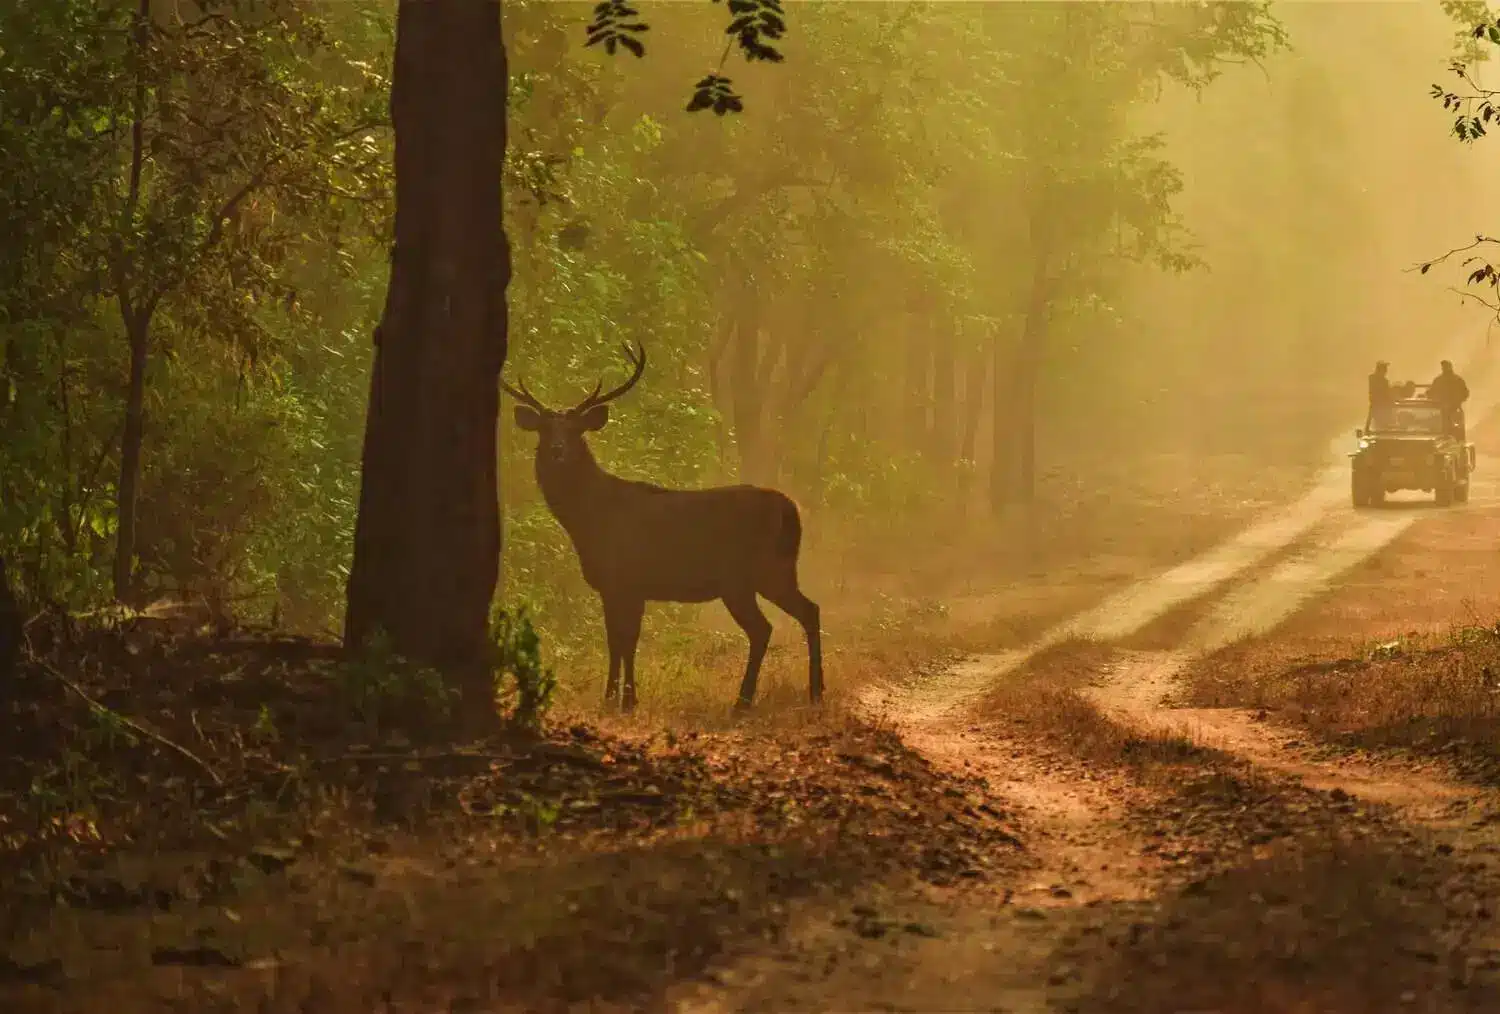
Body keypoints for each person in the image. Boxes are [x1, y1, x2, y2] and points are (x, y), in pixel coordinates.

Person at [1428, 359, 1470, 439]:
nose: (1444, 368)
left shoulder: (1457, 380)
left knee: (1457, 433)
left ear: (1450, 367)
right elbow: (1431, 393)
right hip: (1440, 411)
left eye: (1446, 367)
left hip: (1453, 410)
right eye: (1443, 367)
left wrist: (1457, 401)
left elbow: (1465, 393)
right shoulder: (1439, 380)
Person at [1368, 360, 1393, 428]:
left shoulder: (1373, 379)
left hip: (1380, 408)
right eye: (1384, 369)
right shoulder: (1381, 381)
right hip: (1379, 408)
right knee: (1379, 425)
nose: (1386, 371)